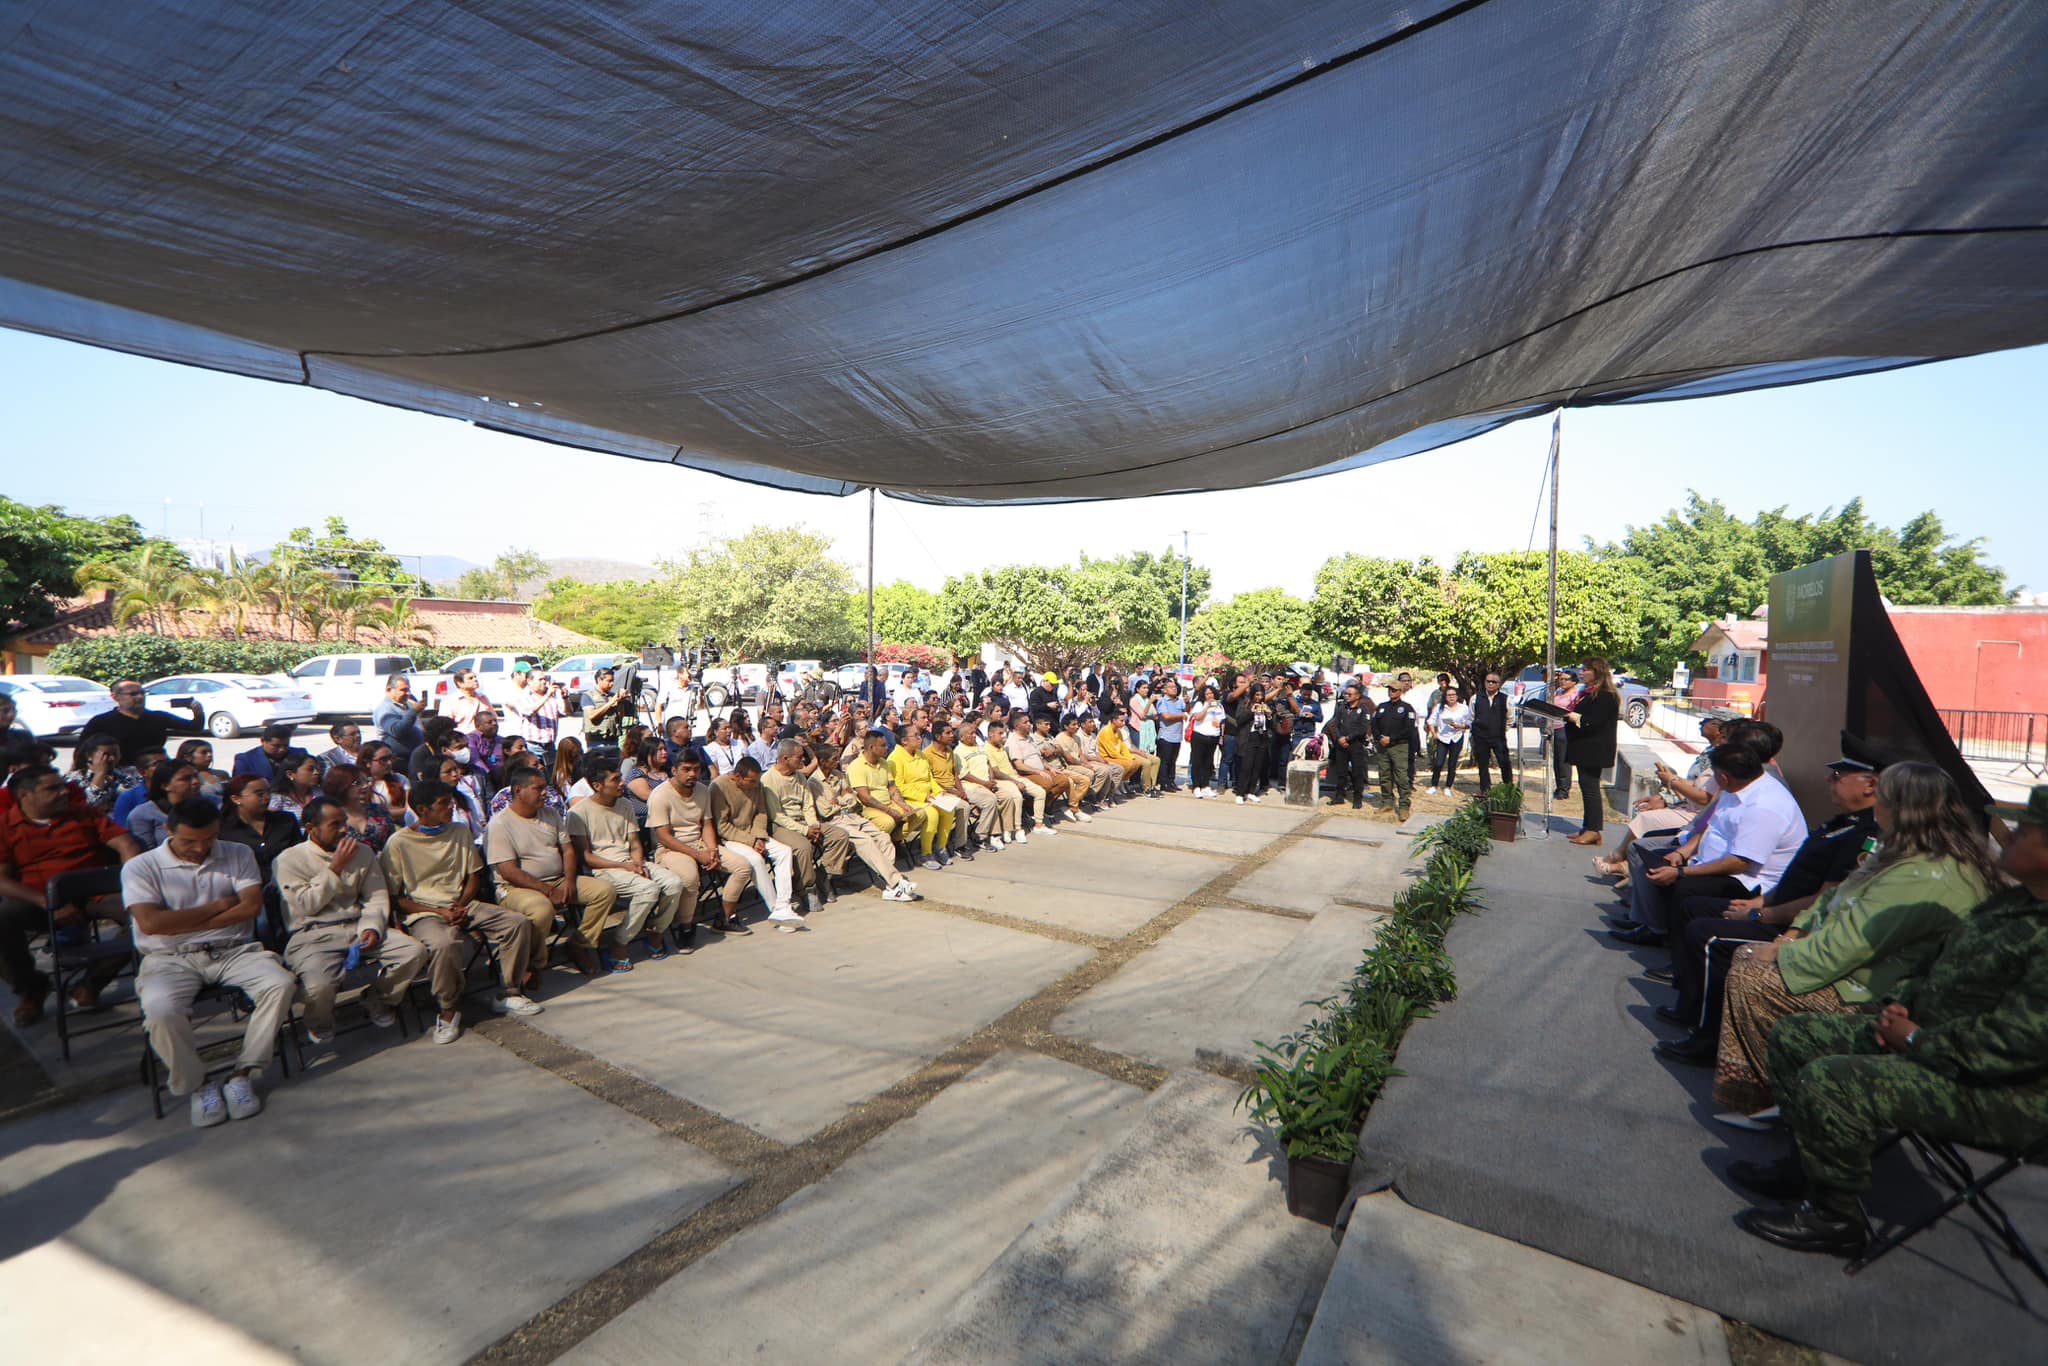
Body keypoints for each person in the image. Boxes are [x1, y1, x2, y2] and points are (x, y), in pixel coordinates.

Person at [1728, 783, 2048, 1258]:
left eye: (2026, 831)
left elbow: (2015, 1044)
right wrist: (1903, 1004)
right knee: (1797, 1035)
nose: (2009, 836)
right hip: (1935, 1043)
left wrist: (1917, 1039)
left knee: (1831, 1080)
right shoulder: (2014, 905)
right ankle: (1811, 1166)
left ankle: (1836, 1218)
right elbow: (1940, 965)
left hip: (2007, 1094)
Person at [1702, 762, 1998, 1110]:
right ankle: (1770, 1092)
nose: (1878, 805)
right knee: (1747, 958)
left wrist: (1783, 954)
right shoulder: (1900, 851)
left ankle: (1768, 1097)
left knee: (1751, 974)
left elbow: (1849, 945)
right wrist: (1791, 935)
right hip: (1859, 970)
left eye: (1883, 797)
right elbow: (1833, 898)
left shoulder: (1927, 875)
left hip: (1883, 995)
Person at [1654, 740, 1886, 1046]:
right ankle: (1690, 1004)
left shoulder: (1865, 834)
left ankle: (1709, 1037)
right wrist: (1759, 902)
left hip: (1795, 925)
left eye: (1839, 776)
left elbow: (1825, 899)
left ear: (1869, 785)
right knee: (1693, 906)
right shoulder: (1841, 824)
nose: (1829, 780)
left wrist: (1760, 913)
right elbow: (1795, 880)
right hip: (1774, 903)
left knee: (1706, 935)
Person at [123, 797, 297, 1128]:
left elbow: (249, 908)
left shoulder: (237, 852)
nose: (200, 848)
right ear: (168, 831)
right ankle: (198, 1084)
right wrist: (219, 905)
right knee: (161, 1011)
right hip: (169, 958)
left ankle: (244, 1072)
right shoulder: (140, 866)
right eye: (189, 840)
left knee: (281, 983)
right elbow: (151, 924)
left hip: (233, 949)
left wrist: (177, 922)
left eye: (208, 839)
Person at [381, 779, 542, 1043]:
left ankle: (510, 991)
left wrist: (461, 904)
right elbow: (397, 898)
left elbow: (473, 876)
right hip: (425, 912)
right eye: (443, 804)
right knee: (444, 943)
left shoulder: (459, 832)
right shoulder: (399, 843)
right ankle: (448, 1009)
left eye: (451, 802)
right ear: (422, 809)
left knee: (516, 922)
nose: (450, 809)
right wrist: (440, 911)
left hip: (463, 903)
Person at [274, 797, 427, 1043]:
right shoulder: (288, 860)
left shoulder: (362, 852)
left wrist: (372, 928)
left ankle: (378, 997)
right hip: (313, 934)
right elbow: (306, 906)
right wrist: (334, 869)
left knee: (414, 952)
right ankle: (319, 1020)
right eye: (335, 824)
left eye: (344, 822)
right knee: (318, 987)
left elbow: (375, 897)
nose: (345, 829)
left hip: (359, 925)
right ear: (311, 829)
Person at [0, 764, 143, 1025]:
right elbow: (2, 880)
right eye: (52, 789)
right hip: (40, 900)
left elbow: (125, 843)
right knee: (2, 918)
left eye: (62, 785)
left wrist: (134, 880)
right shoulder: (5, 827)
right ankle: (30, 989)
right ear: (24, 794)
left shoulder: (83, 813)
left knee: (145, 915)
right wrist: (48, 904)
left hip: (93, 895)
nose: (64, 792)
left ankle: (90, 984)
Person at [486, 767, 619, 978]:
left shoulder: (550, 814)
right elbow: (509, 871)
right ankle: (534, 963)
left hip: (557, 880)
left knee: (604, 891)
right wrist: (548, 891)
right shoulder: (500, 824)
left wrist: (569, 881)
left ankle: (580, 944)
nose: (545, 793)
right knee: (541, 910)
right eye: (538, 788)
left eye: (545, 787)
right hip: (516, 888)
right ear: (519, 790)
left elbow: (567, 849)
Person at [571, 755, 684, 968]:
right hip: (603, 869)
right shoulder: (578, 813)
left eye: (620, 777)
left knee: (674, 883)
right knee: (648, 890)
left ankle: (656, 931)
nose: (621, 783)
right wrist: (626, 866)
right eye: (615, 779)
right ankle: (620, 942)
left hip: (630, 862)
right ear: (597, 785)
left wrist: (638, 864)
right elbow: (587, 857)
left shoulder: (624, 804)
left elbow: (634, 843)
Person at [707, 757, 807, 932]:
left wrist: (759, 837)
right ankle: (775, 910)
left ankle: (784, 905)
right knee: (755, 860)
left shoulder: (757, 784)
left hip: (754, 835)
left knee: (784, 851)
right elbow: (722, 826)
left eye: (756, 781)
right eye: (751, 781)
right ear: (737, 776)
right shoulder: (719, 787)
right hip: (730, 839)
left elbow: (761, 813)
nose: (755, 785)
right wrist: (751, 841)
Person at [811, 743, 921, 899]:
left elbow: (852, 798)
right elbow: (826, 810)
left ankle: (889, 887)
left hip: (852, 816)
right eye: (834, 759)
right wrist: (844, 798)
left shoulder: (838, 775)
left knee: (883, 838)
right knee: (866, 841)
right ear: (822, 761)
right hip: (834, 821)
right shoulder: (814, 782)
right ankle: (896, 882)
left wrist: (840, 800)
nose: (837, 762)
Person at [762, 740, 852, 908]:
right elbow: (777, 815)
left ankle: (825, 875)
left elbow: (808, 805)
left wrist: (813, 825)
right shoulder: (768, 780)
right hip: (781, 826)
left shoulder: (800, 777)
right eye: (799, 757)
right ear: (785, 758)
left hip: (805, 822)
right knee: (803, 847)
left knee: (840, 836)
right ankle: (807, 888)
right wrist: (805, 830)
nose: (804, 761)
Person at [645, 753, 722, 946]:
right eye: (686, 769)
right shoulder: (660, 795)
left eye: (696, 769)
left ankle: (726, 917)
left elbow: (707, 825)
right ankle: (685, 926)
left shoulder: (703, 791)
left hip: (701, 844)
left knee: (742, 865)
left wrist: (712, 850)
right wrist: (699, 855)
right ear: (674, 770)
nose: (692, 774)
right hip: (670, 849)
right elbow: (664, 836)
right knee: (689, 878)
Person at [1562, 658, 1621, 846]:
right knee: (1586, 787)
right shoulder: (1588, 693)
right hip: (1584, 747)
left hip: (1594, 749)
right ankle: (1587, 827)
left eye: (1586, 670)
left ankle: (1594, 830)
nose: (1581, 673)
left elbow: (1593, 721)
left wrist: (1572, 716)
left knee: (1591, 788)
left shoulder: (1605, 695)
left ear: (1597, 672)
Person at [77, 679, 204, 765]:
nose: (139, 697)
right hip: (121, 773)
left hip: (156, 770)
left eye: (142, 693)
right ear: (115, 697)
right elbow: (81, 751)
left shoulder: (158, 717)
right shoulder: (101, 721)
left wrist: (197, 711)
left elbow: (195, 727)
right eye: (133, 694)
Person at [888, 725, 959, 870]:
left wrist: (938, 791)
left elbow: (930, 778)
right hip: (909, 798)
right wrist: (923, 796)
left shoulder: (920, 754)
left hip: (929, 796)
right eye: (916, 736)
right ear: (904, 741)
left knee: (948, 810)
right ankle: (925, 853)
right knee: (932, 814)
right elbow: (899, 787)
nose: (920, 738)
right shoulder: (895, 759)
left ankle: (940, 847)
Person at [216, 773, 303, 886]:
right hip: (243, 887)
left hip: (287, 884)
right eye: (260, 794)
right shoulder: (223, 829)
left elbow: (299, 854)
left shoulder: (286, 820)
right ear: (236, 798)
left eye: (268, 792)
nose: (267, 797)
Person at [1372, 673, 1421, 820]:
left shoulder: (1406, 708)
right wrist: (1380, 738)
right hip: (1382, 746)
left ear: (1400, 692)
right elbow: (1374, 724)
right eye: (1389, 690)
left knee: (1401, 776)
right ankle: (1387, 801)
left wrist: (1391, 738)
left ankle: (1404, 805)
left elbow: (1409, 728)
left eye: (1394, 690)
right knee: (1384, 775)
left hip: (1399, 746)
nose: (1391, 692)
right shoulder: (1381, 707)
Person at [128, 758, 202, 850]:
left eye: (196, 776)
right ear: (165, 785)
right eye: (185, 779)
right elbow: (146, 854)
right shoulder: (142, 814)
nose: (196, 782)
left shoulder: (211, 806)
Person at [322, 762, 395, 852]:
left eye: (366, 781)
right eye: (357, 783)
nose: (365, 785)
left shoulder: (379, 810)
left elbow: (393, 840)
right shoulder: (332, 818)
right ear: (340, 785)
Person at [1323, 682, 1373, 808]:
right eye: (1345, 694)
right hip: (1341, 745)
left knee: (1357, 773)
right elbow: (1336, 725)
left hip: (1355, 745)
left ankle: (1357, 799)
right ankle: (1339, 796)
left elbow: (1363, 728)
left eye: (1350, 694)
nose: (1347, 696)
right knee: (1341, 772)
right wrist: (1339, 738)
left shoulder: (1363, 709)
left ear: (1357, 696)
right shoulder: (1342, 708)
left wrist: (1348, 738)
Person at [68, 735, 139, 814]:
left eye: (115, 754)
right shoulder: (74, 779)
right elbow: (86, 807)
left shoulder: (127, 777)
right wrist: (100, 774)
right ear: (89, 756)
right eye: (106, 755)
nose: (112, 758)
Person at [1096, 708, 1158, 796]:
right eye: (1121, 721)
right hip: (1107, 757)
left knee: (1135, 762)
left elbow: (1123, 747)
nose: (1124, 723)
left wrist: (1130, 757)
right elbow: (1112, 752)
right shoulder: (1106, 731)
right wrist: (1126, 759)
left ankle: (1121, 782)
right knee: (1128, 764)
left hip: (1118, 756)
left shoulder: (1118, 731)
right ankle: (1113, 787)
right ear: (1114, 720)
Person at [1231, 683, 1276, 804]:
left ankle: (1251, 791)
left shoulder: (1264, 705)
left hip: (1261, 738)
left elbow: (1272, 725)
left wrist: (1269, 715)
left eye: (1261, 695)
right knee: (1246, 767)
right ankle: (1240, 793)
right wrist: (1251, 712)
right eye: (1257, 694)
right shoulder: (1245, 704)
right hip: (1248, 738)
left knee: (1257, 767)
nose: (1259, 697)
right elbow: (1239, 720)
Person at [1468, 672, 1512, 794]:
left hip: (1498, 737)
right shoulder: (1475, 698)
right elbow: (1470, 717)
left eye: (1494, 682)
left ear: (1499, 684)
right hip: (1480, 737)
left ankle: (1508, 789)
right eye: (1488, 681)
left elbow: (1510, 718)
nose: (1490, 684)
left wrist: (1502, 730)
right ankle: (1485, 790)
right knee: (1482, 765)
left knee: (1504, 763)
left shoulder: (1505, 699)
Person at [1426, 682, 1472, 795]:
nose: (1451, 697)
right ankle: (1434, 785)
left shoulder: (1464, 708)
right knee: (1438, 763)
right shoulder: (1440, 708)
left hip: (1457, 737)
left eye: (1453, 695)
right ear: (1445, 697)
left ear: (1457, 696)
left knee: (1452, 763)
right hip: (1443, 738)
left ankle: (1448, 786)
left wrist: (1460, 726)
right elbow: (1430, 720)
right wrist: (1434, 733)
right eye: (1448, 695)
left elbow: (1469, 723)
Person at [371, 673, 426, 766]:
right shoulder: (385, 708)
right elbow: (396, 730)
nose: (408, 693)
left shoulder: (408, 704)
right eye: (403, 690)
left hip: (414, 757)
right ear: (389, 690)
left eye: (408, 690)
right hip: (399, 760)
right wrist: (413, 712)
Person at [1545, 669, 1581, 801]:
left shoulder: (1575, 695)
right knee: (1556, 760)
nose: (1562, 681)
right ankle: (1559, 786)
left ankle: (1564, 789)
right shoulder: (1558, 692)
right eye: (1562, 679)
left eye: (1566, 679)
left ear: (1573, 682)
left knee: (1563, 761)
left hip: (1565, 728)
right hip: (1554, 727)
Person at [580, 666, 635, 749]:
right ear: (599, 680)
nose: (612, 684)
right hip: (596, 740)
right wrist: (612, 702)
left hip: (612, 739)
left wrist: (621, 702)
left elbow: (620, 718)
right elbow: (591, 715)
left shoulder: (612, 696)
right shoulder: (588, 696)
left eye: (612, 681)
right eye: (609, 681)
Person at [1188, 684, 1227, 797]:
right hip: (1200, 735)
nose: (1210, 696)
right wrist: (1207, 707)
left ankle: (1205, 785)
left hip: (1213, 736)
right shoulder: (1200, 704)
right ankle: (1196, 786)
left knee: (1208, 762)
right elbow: (1198, 717)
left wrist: (1221, 735)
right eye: (1207, 694)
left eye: (1211, 693)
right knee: (1197, 761)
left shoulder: (1219, 706)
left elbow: (1222, 721)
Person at [231, 725, 300, 784]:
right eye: (276, 746)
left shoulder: (300, 754)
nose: (282, 749)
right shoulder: (245, 760)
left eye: (286, 745)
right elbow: (240, 787)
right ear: (262, 741)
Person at [268, 750, 325, 822]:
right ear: (290, 774)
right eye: (310, 769)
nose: (316, 773)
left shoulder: (319, 793)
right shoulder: (278, 798)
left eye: (318, 769)